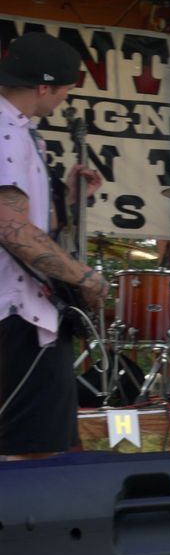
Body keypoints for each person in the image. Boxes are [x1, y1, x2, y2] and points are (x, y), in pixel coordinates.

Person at [0, 32, 109, 458]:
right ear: (44, 87)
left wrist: (68, 198)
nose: (66, 97)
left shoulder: (22, 132)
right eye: (65, 88)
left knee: (52, 446)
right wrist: (85, 277)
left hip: (29, 310)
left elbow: (34, 224)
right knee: (31, 454)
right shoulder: (5, 133)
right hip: (16, 314)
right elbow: (10, 227)